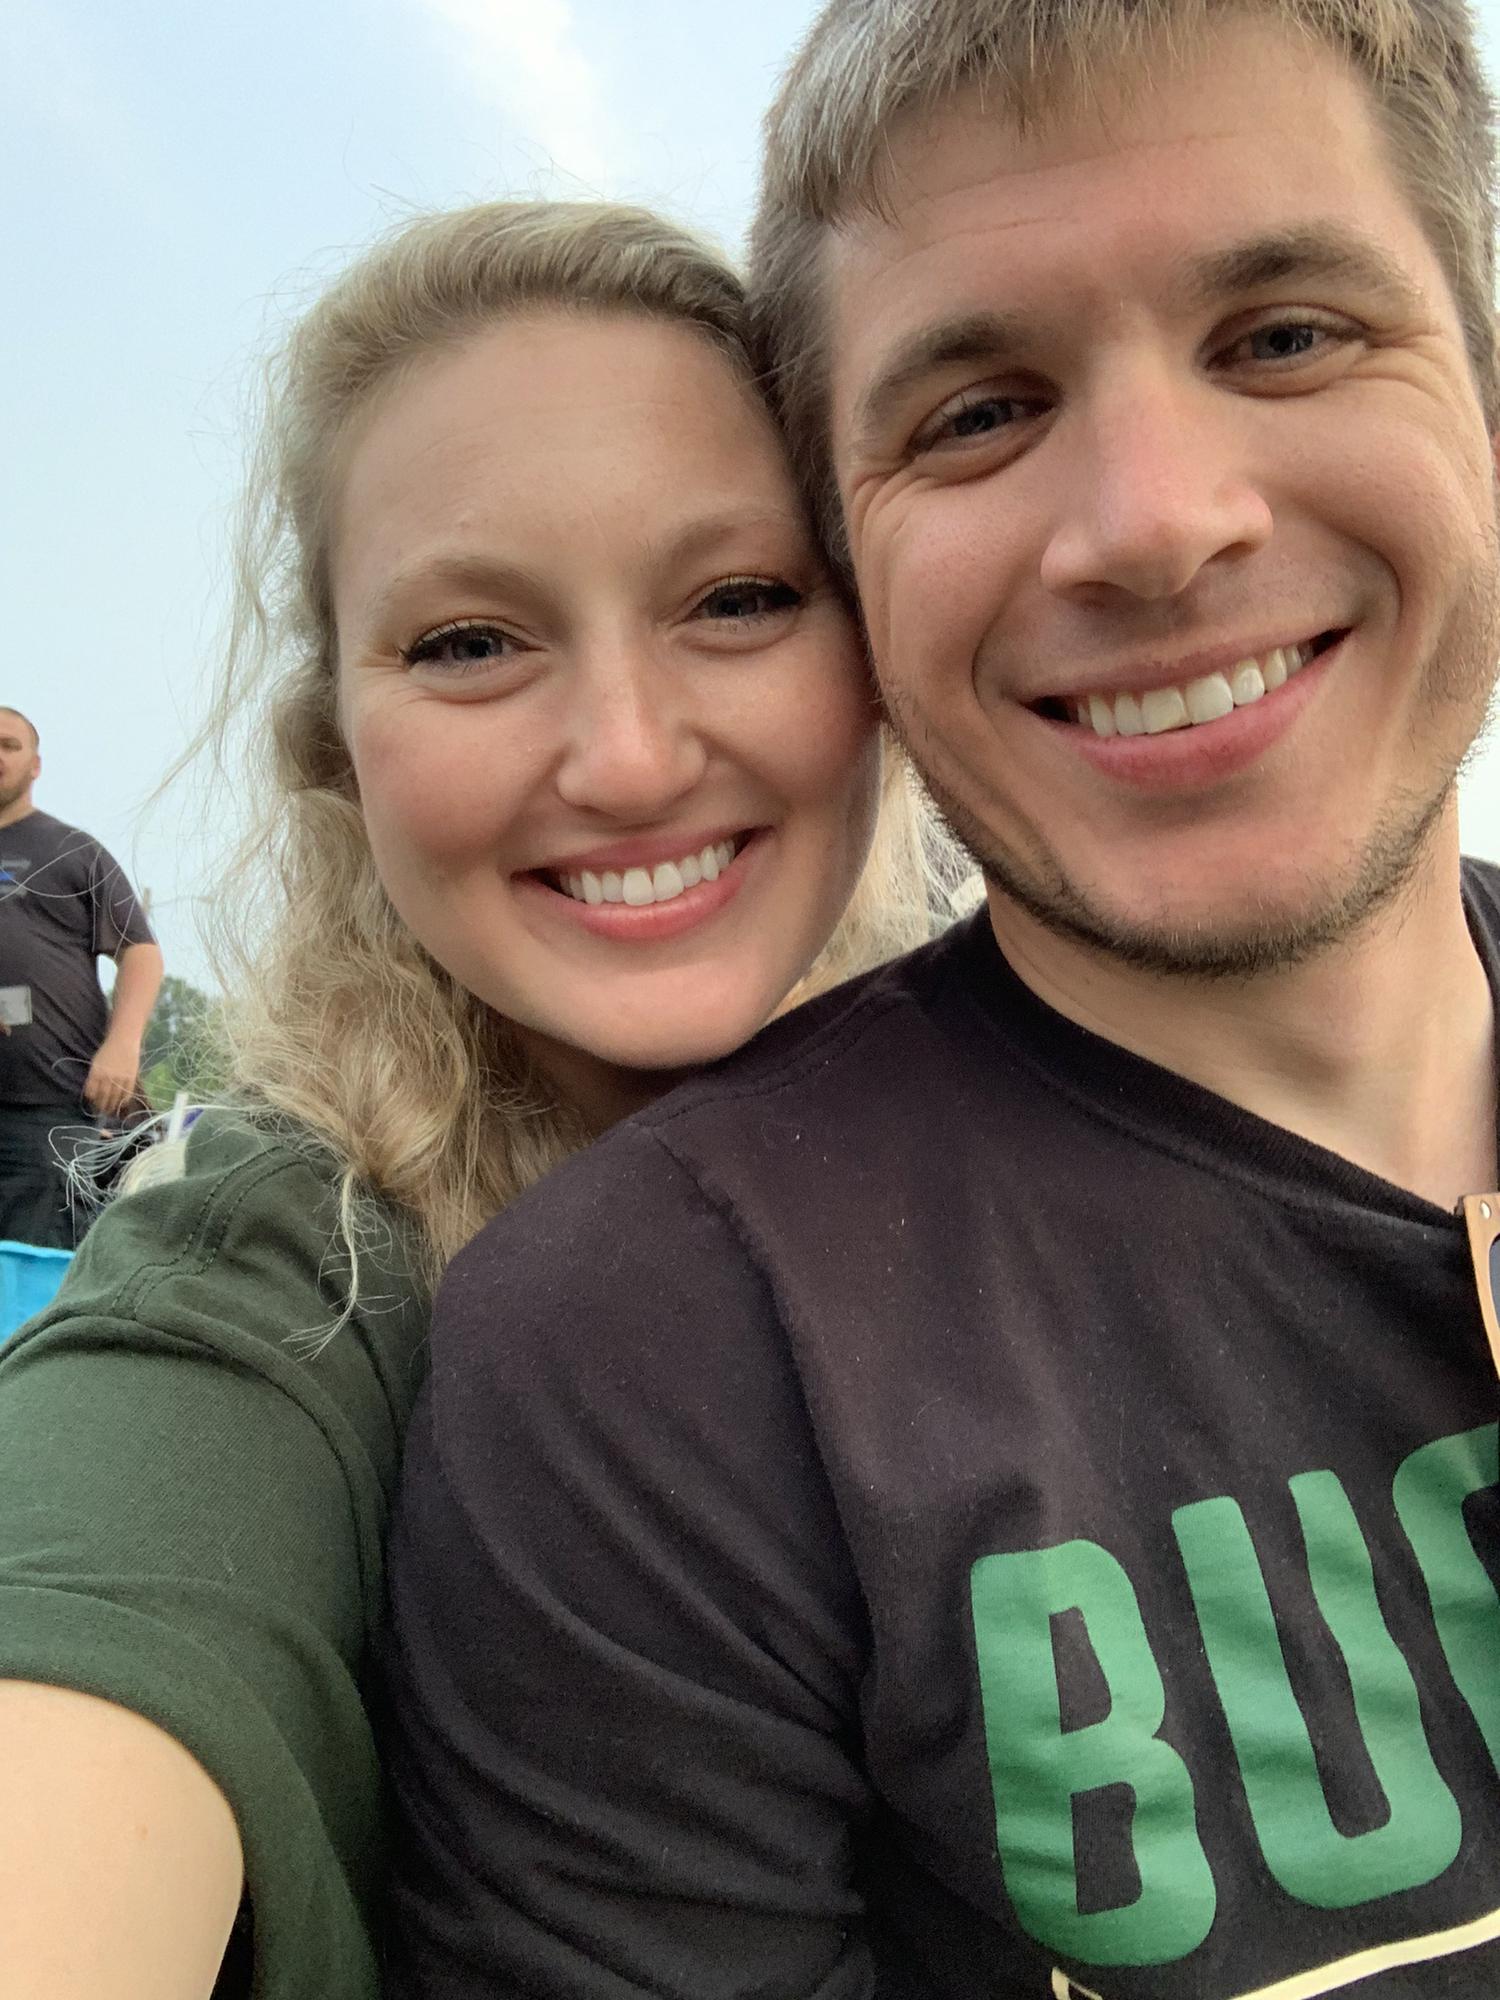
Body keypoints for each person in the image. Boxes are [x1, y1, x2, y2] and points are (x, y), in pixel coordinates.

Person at [378, 0, 1500, 1993]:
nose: (1157, 523)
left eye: (1283, 337)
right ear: (853, 570)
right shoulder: (653, 1351)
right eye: (977, 412)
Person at [0, 201, 945, 2000]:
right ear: (335, 750)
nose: (630, 758)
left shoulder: (1058, 1140)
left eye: (739, 599)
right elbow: (95, 1600)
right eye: (468, 643)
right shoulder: (286, 1258)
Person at [0, 706, 163, 1247]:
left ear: (35, 765)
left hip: (51, 1109)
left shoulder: (71, 850)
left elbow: (141, 952)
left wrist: (123, 1045)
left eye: (9, 745)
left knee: (40, 1273)